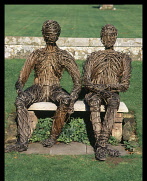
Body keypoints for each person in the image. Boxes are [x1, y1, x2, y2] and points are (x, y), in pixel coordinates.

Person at [5, 20, 81, 152]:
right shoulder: (37, 54)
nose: (51, 36)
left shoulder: (63, 55)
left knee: (65, 100)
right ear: (44, 35)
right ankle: (22, 141)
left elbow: (77, 81)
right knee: (20, 100)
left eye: (54, 33)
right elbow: (22, 76)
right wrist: (20, 89)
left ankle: (53, 137)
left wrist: (73, 98)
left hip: (54, 88)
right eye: (48, 33)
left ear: (58, 35)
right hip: (38, 88)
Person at [83, 24, 131, 160]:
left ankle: (100, 145)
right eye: (105, 35)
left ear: (116, 37)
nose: (109, 38)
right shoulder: (93, 57)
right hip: (94, 92)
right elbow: (86, 82)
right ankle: (103, 146)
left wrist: (107, 88)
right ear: (101, 38)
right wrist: (99, 89)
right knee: (94, 101)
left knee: (114, 101)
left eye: (112, 35)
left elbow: (124, 85)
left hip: (111, 92)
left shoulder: (124, 58)